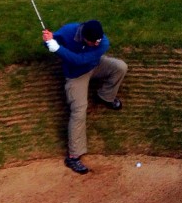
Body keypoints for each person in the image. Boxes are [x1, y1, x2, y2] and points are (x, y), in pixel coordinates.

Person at [42, 19, 127, 174]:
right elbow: (51, 45)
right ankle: (73, 156)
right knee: (79, 111)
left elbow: (80, 60)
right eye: (93, 42)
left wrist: (58, 49)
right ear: (84, 36)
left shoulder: (103, 42)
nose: (97, 44)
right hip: (75, 76)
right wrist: (49, 41)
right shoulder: (69, 31)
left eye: (98, 41)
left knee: (120, 67)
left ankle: (105, 96)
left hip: (94, 66)